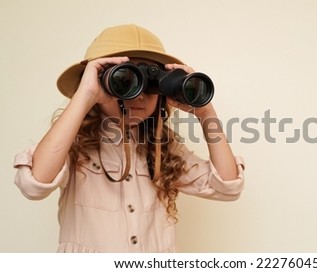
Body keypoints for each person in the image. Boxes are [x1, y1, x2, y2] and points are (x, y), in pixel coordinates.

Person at [13, 24, 245, 252]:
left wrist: (205, 112)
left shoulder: (165, 149)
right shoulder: (74, 144)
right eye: (125, 82)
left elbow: (227, 187)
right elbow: (35, 185)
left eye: (150, 85)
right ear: (96, 83)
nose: (139, 96)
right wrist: (85, 96)